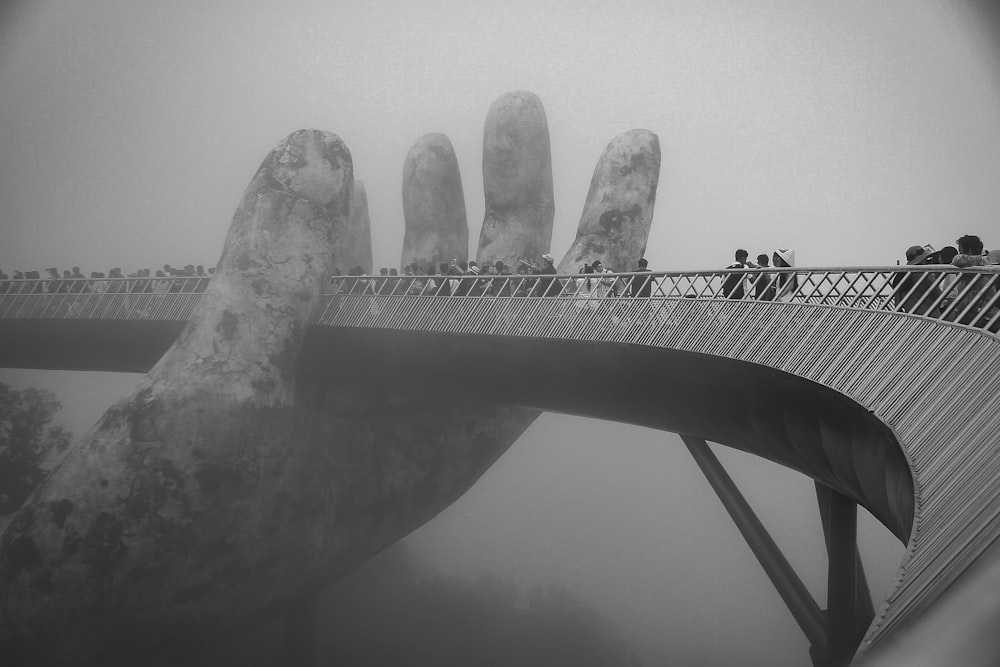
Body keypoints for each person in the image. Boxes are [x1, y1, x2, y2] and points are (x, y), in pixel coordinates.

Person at [950, 234, 998, 328]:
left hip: (973, 312)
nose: (959, 254)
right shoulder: (986, 263)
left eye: (960, 251)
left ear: (969, 251)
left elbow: (958, 260)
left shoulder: (975, 262)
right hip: (983, 311)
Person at [892, 244, 942, 316]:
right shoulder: (925, 276)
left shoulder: (900, 277)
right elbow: (939, 296)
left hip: (912, 319)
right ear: (923, 259)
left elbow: (897, 305)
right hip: (931, 317)